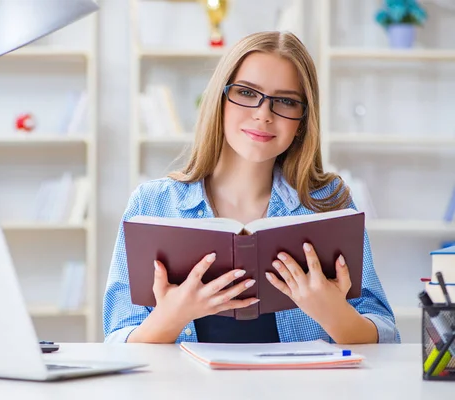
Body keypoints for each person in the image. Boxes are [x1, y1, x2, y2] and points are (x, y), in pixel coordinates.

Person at [103, 31, 399, 345]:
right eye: (246, 93)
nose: (263, 114)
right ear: (220, 100)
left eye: (285, 101)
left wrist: (332, 313)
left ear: (302, 122)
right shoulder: (151, 205)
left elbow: (386, 335)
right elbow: (118, 340)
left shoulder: (328, 205)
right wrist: (172, 316)